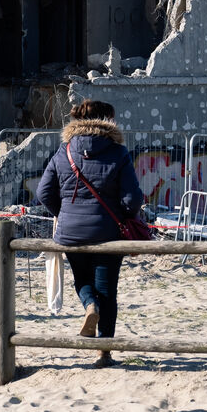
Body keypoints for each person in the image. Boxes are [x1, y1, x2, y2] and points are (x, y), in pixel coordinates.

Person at [35, 99, 144, 369]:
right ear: (108, 120)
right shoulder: (118, 152)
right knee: (107, 291)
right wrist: (125, 215)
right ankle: (103, 352)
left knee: (82, 280)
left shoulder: (64, 151)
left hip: (71, 232)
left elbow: (43, 192)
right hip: (108, 233)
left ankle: (89, 306)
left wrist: (65, 213)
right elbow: (132, 199)